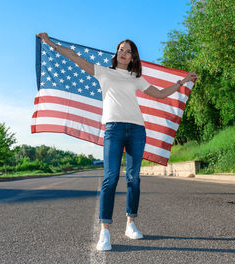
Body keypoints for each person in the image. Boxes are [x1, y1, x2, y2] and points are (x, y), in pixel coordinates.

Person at [37, 33, 198, 251]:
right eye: (121, 49)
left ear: (133, 58)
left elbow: (160, 94)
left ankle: (131, 224)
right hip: (113, 129)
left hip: (137, 130)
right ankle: (105, 231)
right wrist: (49, 43)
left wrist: (183, 82)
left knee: (133, 178)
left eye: (128, 51)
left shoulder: (136, 78)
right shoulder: (103, 72)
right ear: (116, 53)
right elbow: (74, 57)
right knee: (111, 177)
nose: (124, 53)